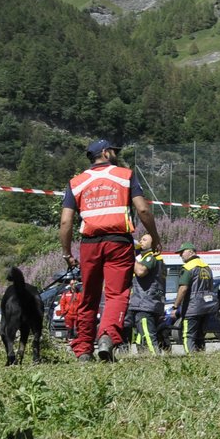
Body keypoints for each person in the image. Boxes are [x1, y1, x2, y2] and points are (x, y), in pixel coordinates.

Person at [59, 139, 162, 362]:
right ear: (105, 153)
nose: (116, 154)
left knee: (89, 297)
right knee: (117, 294)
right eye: (114, 151)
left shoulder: (76, 182)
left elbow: (66, 222)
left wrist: (67, 253)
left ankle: (84, 350)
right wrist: (154, 237)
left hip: (89, 244)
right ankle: (106, 336)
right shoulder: (125, 175)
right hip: (118, 242)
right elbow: (143, 209)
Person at [124, 232, 169, 354]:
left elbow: (140, 271)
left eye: (144, 239)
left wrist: (130, 257)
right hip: (150, 302)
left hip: (145, 303)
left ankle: (154, 357)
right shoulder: (155, 258)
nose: (141, 241)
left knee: (148, 334)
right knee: (140, 335)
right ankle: (143, 357)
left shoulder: (151, 257)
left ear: (152, 243)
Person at [173, 245, 219, 353]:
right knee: (200, 335)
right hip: (207, 307)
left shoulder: (188, 267)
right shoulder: (206, 267)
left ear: (190, 252)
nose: (180, 255)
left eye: (182, 252)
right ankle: (201, 357)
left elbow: (183, 288)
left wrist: (176, 306)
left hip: (192, 307)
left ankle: (192, 361)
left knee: (188, 335)